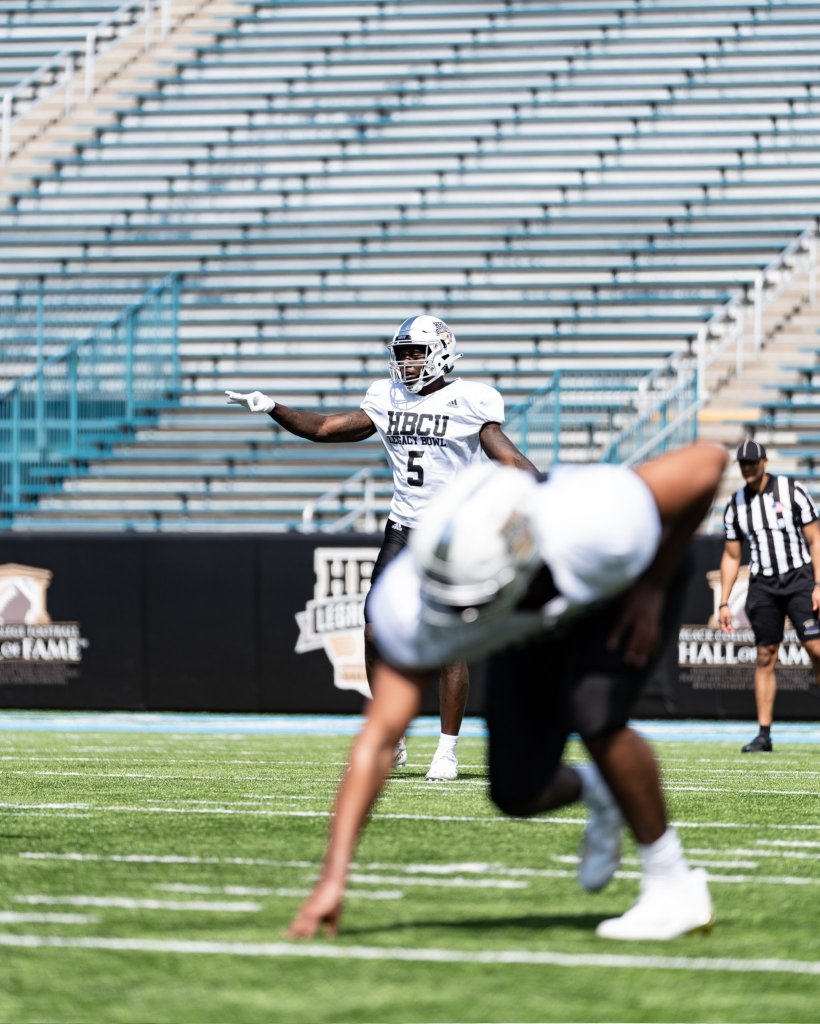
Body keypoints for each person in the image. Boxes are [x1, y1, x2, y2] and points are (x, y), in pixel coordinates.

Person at [287, 441, 728, 942]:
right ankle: (601, 791)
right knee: (517, 791)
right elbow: (380, 738)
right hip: (527, 619)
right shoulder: (415, 599)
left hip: (621, 590)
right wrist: (333, 877)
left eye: (474, 604)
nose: (459, 620)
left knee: (594, 710)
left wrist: (653, 584)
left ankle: (674, 887)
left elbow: (707, 463)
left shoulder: (597, 520)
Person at [226, 314, 538, 780]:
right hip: (403, 529)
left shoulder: (472, 400)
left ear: (442, 352)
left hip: (454, 535)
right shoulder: (386, 396)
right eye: (403, 353)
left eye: (415, 352)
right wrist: (273, 406)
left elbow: (509, 457)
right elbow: (326, 428)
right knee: (373, 634)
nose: (407, 362)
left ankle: (446, 750)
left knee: (449, 642)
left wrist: (548, 496)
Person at [719, 438, 820, 753]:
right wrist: (724, 600)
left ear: (764, 462)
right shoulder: (736, 504)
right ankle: (764, 734)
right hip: (763, 583)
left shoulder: (792, 492)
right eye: (743, 463)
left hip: (800, 579)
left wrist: (819, 583)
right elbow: (732, 556)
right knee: (765, 656)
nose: (748, 468)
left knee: (817, 648)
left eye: (753, 462)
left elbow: (815, 539)